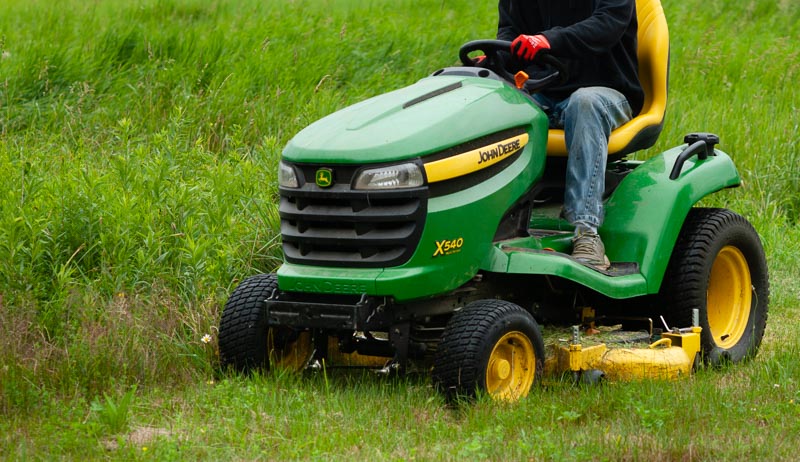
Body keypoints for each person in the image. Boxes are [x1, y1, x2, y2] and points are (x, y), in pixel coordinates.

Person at [497, 0, 644, 270]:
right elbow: (509, 32)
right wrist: (496, 58)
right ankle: (493, 222)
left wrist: (547, 40)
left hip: (606, 91)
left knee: (584, 102)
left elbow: (606, 26)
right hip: (543, 90)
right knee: (493, 100)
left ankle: (586, 232)